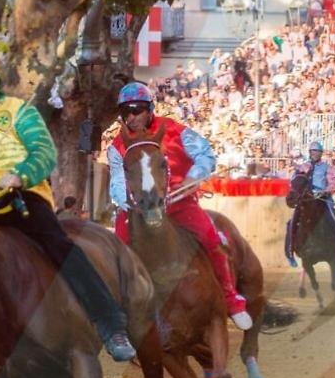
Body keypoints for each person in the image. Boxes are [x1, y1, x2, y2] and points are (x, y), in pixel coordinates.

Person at [0, 46, 137, 378]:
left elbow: (44, 153)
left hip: (23, 200)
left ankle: (111, 326)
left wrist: (19, 174)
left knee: (61, 248)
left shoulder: (20, 112)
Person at [107, 82, 253, 329]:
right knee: (116, 252)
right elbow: (117, 181)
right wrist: (128, 202)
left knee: (212, 239)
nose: (132, 116)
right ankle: (119, 313)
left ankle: (231, 299)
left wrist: (192, 177)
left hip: (179, 204)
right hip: (139, 209)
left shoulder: (175, 130)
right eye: (127, 112)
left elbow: (206, 154)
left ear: (150, 109)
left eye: (138, 109)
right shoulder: (116, 146)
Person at [286, 140, 335, 257]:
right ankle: (291, 248)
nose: (314, 153)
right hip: (305, 200)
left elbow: (333, 184)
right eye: (312, 151)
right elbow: (294, 181)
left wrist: (324, 191)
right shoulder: (303, 167)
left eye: (317, 151)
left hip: (322, 199)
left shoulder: (327, 167)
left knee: (334, 218)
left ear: (321, 153)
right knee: (292, 221)